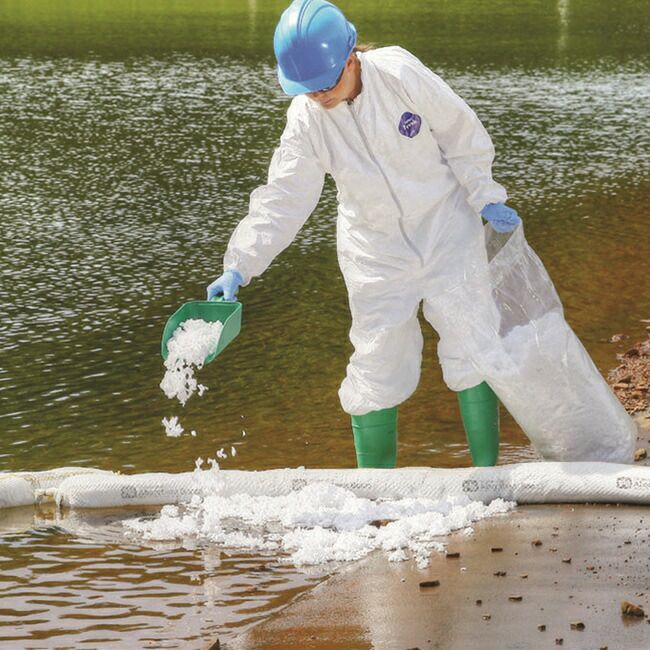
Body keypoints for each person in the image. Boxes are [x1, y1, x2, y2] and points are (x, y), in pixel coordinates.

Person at [207, 0, 522, 469]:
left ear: (350, 58)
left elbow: (460, 131)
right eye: (307, 88)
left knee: (473, 343)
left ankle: (487, 474)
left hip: (445, 229)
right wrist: (240, 264)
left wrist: (484, 194)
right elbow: (283, 197)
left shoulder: (399, 73)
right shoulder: (307, 118)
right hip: (374, 251)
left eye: (325, 84)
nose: (318, 95)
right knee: (377, 362)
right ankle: (375, 491)